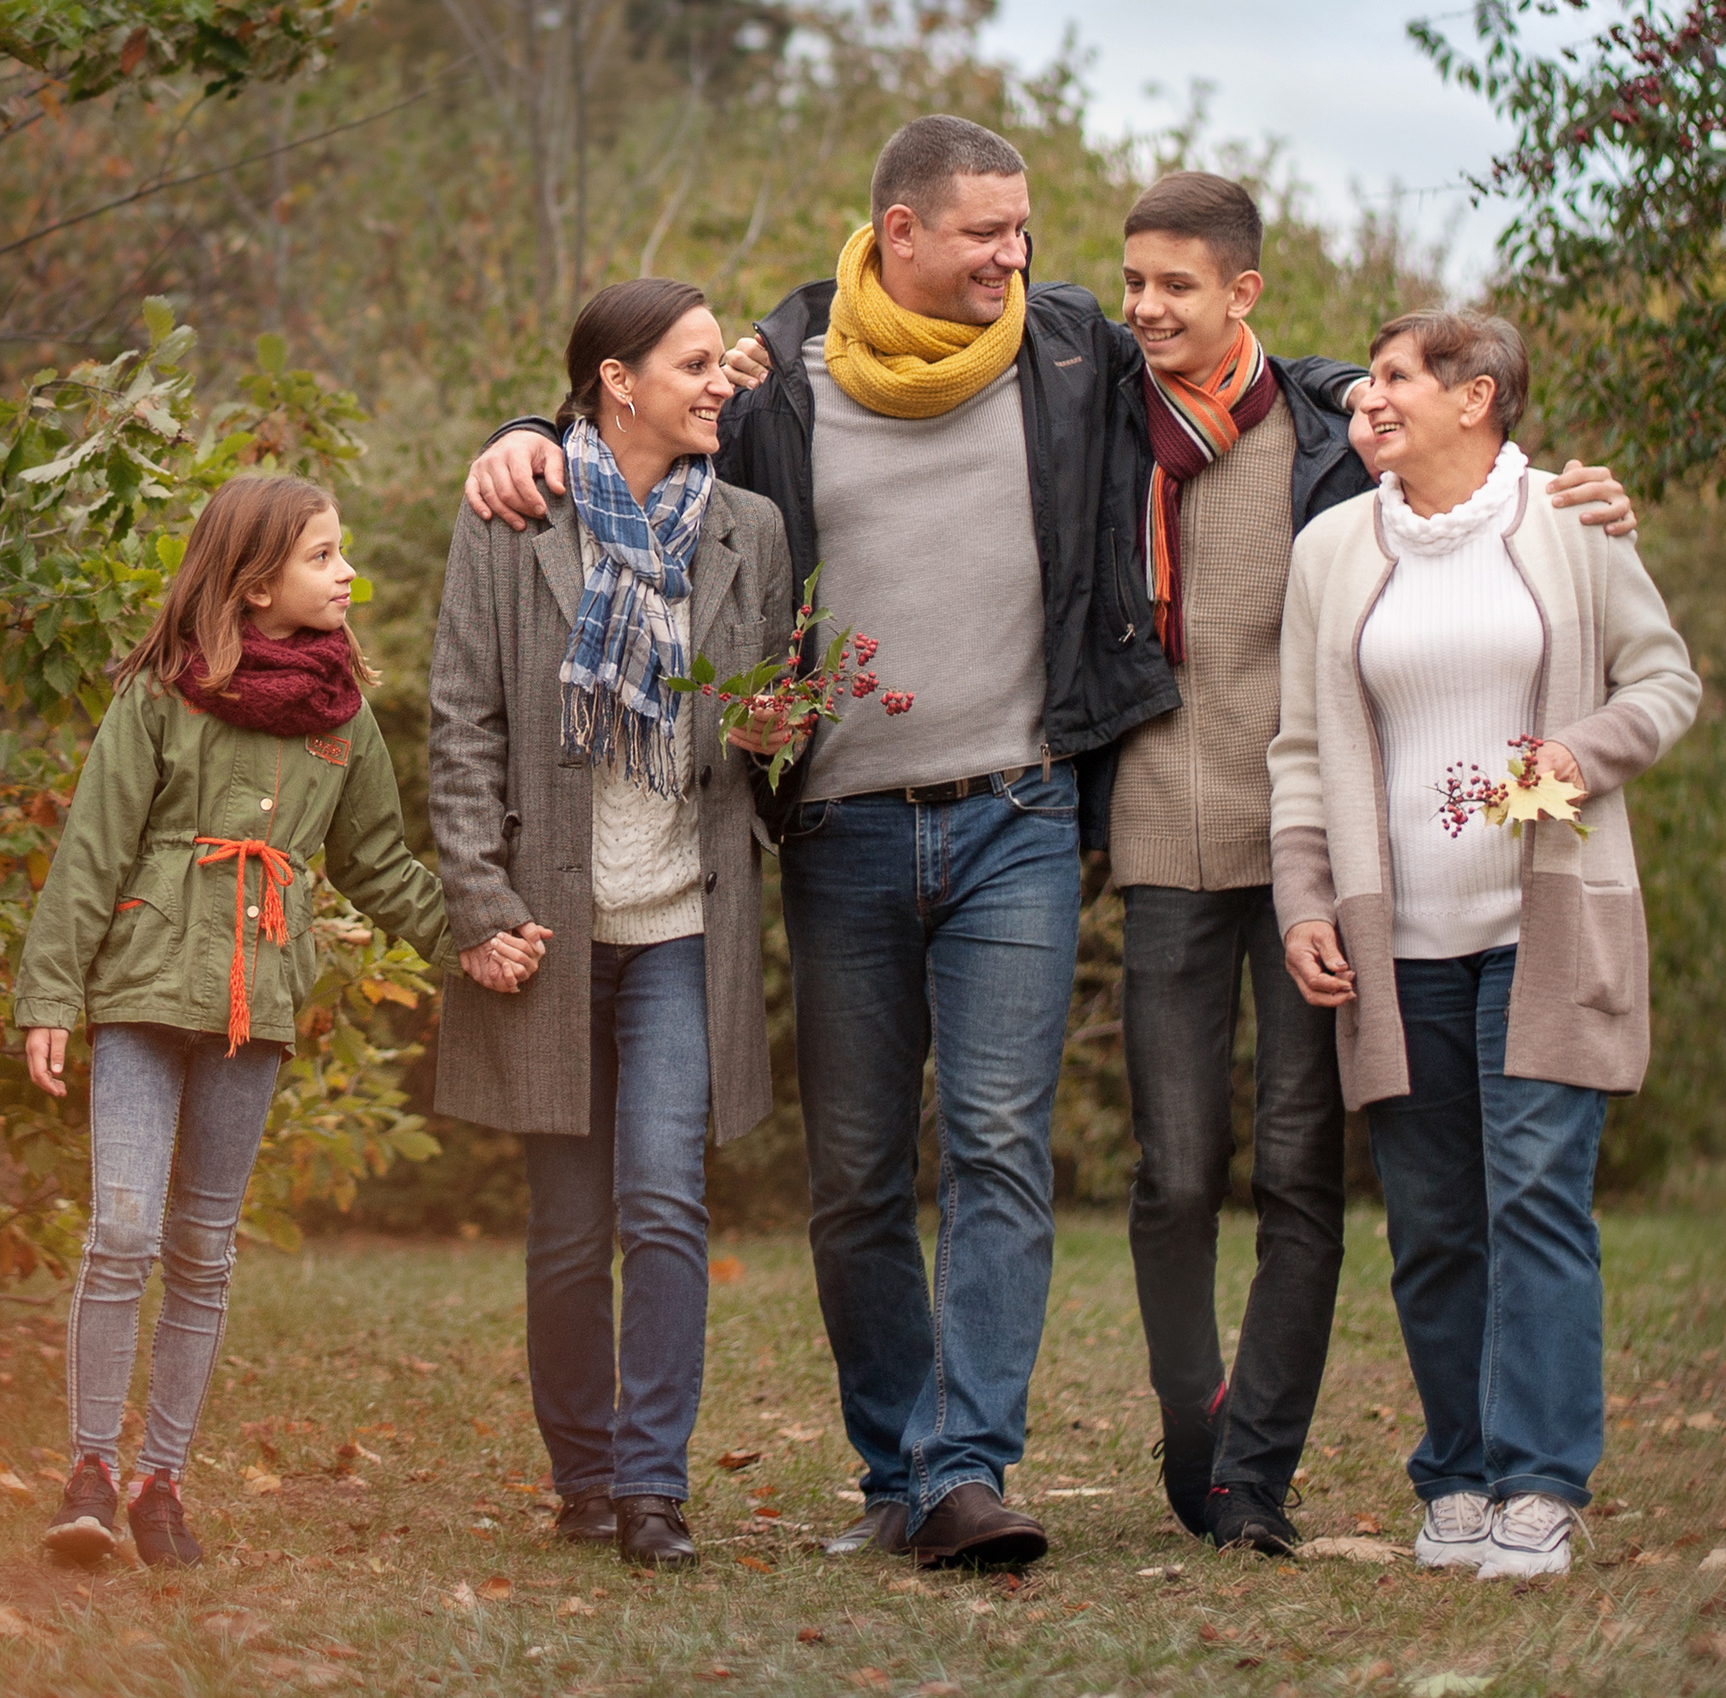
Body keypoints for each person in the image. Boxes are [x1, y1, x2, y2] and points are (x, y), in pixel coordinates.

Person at [465, 115, 1175, 1569]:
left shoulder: (1067, 351)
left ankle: (967, 1468)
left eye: (1023, 228)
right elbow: (635, 436)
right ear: (898, 232)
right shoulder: (783, 377)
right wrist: (529, 433)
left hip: (1020, 815)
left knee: (993, 1144)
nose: (1015, 254)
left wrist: (1437, 421)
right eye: (985, 230)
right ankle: (893, 1468)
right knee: (853, 1171)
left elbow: (1255, 379)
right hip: (843, 831)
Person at [1091, 174, 1638, 1557]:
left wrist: (1564, 748)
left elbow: (1636, 656)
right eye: (1133, 284)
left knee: (1402, 1185)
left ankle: (1428, 1480)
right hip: (1268, 878)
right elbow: (1302, 735)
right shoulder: (1134, 435)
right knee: (1295, 1201)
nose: (1149, 308)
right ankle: (1325, 1447)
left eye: (1180, 286)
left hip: (1434, 896)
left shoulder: (1444, 488)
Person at [1270, 310, 1699, 1580]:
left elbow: (1663, 682)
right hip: (1395, 943)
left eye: (1398, 380)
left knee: (1536, 1199)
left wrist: (1579, 752)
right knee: (1437, 1222)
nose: (1371, 402)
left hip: (1546, 927)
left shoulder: (1572, 522)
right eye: (1370, 383)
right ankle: (1456, 1476)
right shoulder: (1333, 549)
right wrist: (1305, 899)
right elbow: (1300, 747)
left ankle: (1540, 1482)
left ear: (1479, 397)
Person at [15, 475, 451, 1568]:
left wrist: (474, 938)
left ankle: (162, 1481)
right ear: (255, 586)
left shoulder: (343, 720)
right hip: (140, 995)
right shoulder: (162, 694)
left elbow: (380, 864)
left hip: (253, 1010)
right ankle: (90, 1473)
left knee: (203, 1248)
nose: (346, 571)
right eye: (322, 555)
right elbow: (91, 850)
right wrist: (50, 993)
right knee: (123, 1228)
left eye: (340, 551)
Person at [429, 278, 793, 1570]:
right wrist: (478, 899)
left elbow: (772, 729)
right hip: (549, 929)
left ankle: (652, 1485)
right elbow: (462, 719)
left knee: (664, 1201)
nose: (718, 383)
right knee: (571, 1227)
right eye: (693, 363)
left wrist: (774, 737)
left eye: (721, 363)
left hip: (685, 924)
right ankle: (581, 1474)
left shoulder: (748, 527)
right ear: (616, 381)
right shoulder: (513, 521)